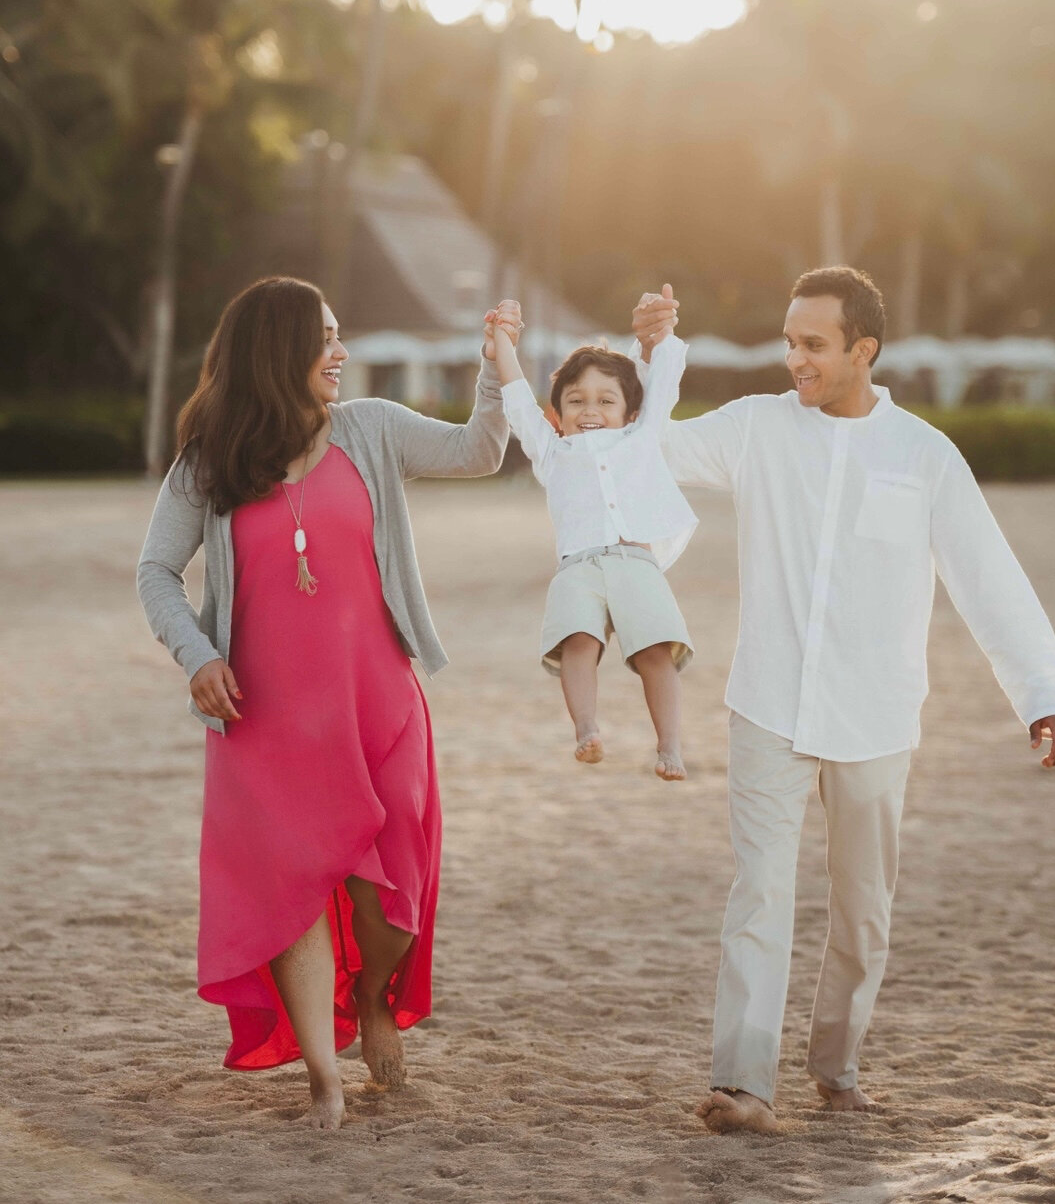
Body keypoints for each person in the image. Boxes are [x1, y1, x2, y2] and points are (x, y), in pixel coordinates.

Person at [631, 271, 1055, 1133]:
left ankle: (835, 1066)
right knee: (759, 893)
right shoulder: (756, 427)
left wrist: (1046, 694)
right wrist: (661, 356)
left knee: (863, 912)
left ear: (862, 350)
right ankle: (744, 1082)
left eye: (813, 345)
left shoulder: (924, 455)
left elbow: (988, 579)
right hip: (767, 704)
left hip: (875, 716)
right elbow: (653, 449)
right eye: (788, 341)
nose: (793, 358)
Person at [136, 276, 515, 1130]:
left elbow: (480, 452)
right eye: (325, 338)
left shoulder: (371, 429)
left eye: (341, 335)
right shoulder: (211, 461)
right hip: (261, 722)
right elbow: (155, 570)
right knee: (292, 897)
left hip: (377, 705)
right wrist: (196, 655)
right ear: (278, 352)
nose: (340, 353)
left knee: (396, 896)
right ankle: (323, 1077)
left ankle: (373, 994)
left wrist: (496, 368)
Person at [491, 299, 698, 779]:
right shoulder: (551, 452)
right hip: (578, 567)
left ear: (630, 412)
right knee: (577, 642)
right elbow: (517, 399)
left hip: (635, 561)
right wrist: (503, 339)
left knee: (655, 651)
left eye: (607, 401)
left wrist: (661, 327)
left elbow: (663, 381)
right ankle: (586, 729)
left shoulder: (642, 437)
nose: (590, 410)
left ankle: (670, 747)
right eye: (576, 400)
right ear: (557, 412)